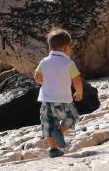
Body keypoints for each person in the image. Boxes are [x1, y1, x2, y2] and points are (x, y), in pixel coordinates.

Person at [34, 29, 84, 158]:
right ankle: (60, 132)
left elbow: (37, 77)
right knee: (72, 117)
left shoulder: (44, 62)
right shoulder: (68, 63)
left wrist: (46, 82)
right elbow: (77, 80)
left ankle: (53, 149)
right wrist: (79, 92)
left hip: (46, 100)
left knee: (48, 124)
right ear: (67, 47)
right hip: (63, 100)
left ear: (50, 47)